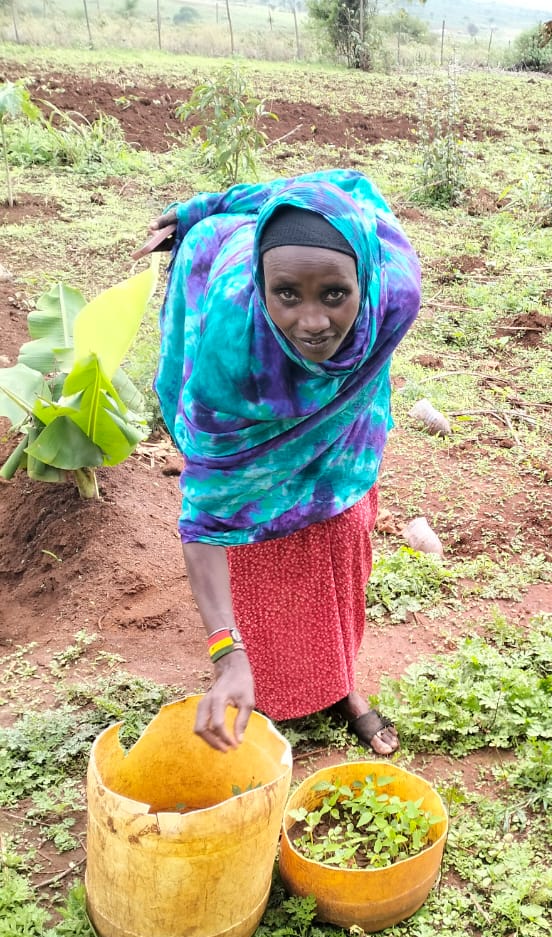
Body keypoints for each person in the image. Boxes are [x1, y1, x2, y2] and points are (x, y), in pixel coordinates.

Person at [141, 170, 421, 755]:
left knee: (340, 531)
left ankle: (343, 685)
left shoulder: (395, 291)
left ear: (365, 280)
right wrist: (226, 651)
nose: (312, 322)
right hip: (226, 317)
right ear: (262, 284)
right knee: (257, 544)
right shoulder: (228, 357)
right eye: (287, 293)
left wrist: (209, 193)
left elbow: (343, 183)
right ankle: (260, 679)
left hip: (345, 421)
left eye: (335, 295)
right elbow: (206, 517)